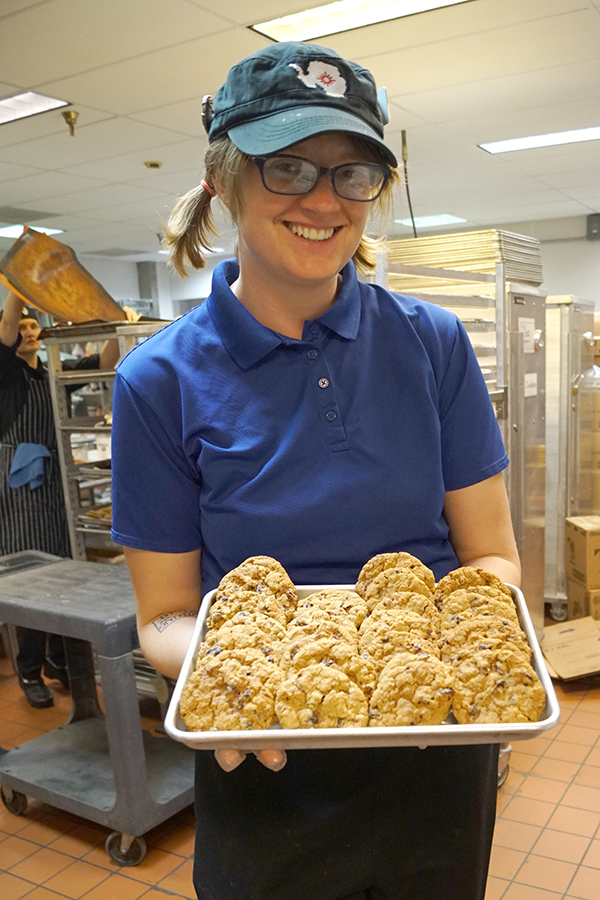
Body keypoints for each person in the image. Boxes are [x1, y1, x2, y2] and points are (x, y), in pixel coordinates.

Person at [111, 41, 520, 900]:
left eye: (352, 173)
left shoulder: (433, 345)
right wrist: (235, 681)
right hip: (263, 760)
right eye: (287, 167)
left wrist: (474, 668)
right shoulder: (158, 381)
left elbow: (493, 563)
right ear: (223, 180)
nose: (323, 200)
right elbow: (165, 616)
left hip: (434, 753)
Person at [0, 291, 132, 708]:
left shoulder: (52, 369)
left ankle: (60, 659)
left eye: (32, 326)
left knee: (64, 565)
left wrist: (118, 325)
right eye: (20, 328)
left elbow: (105, 362)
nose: (26, 333)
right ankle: (28, 667)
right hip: (20, 482)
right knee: (33, 579)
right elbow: (5, 331)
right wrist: (20, 289)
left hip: (56, 478)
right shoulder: (5, 371)